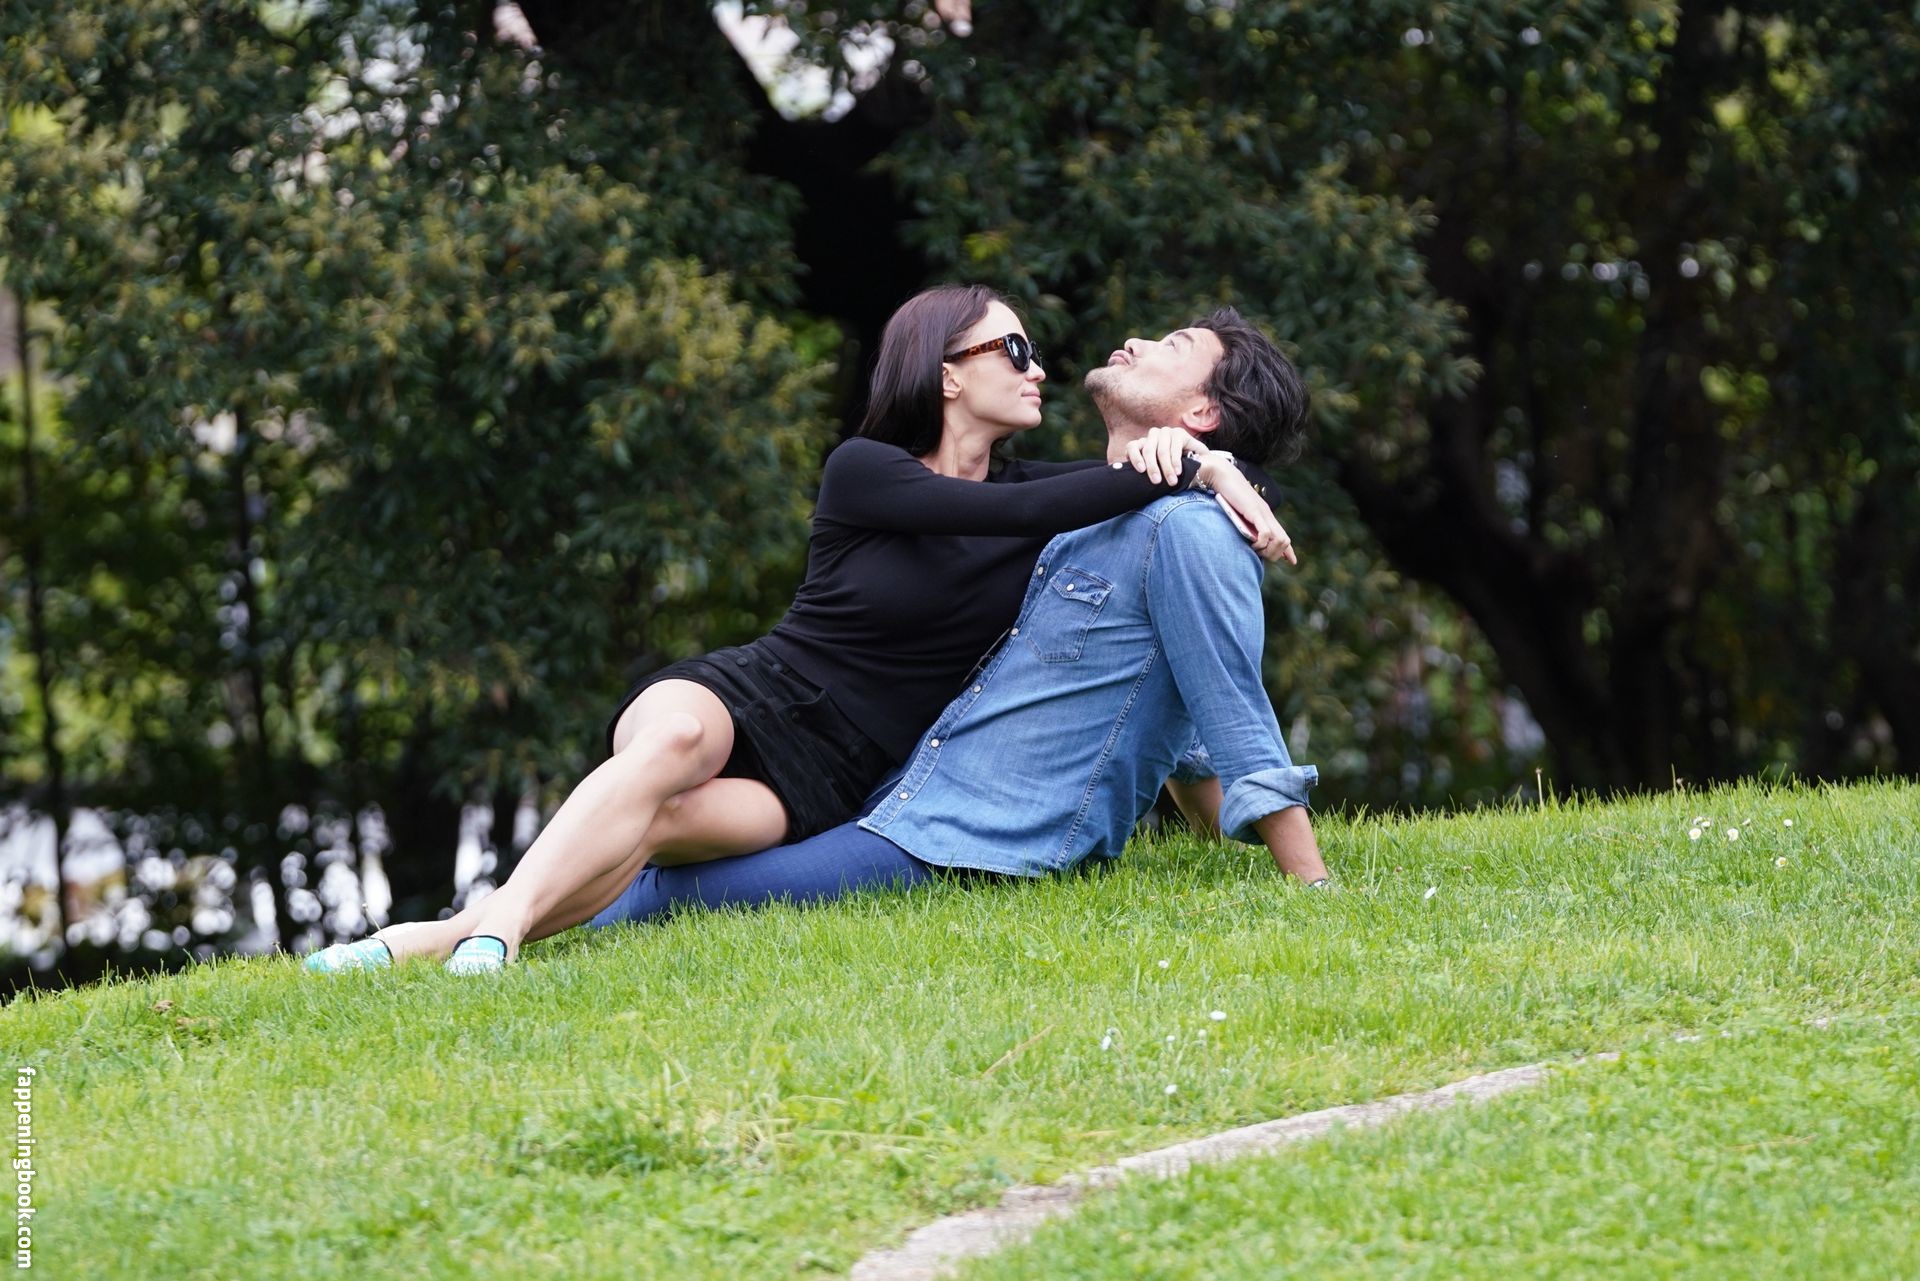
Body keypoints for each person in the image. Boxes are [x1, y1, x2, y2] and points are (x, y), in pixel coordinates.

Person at [305, 286, 1291, 974]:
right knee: (671, 748)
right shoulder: (867, 469)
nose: (1040, 369)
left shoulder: (1053, 502)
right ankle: (500, 932)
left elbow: (1128, 578)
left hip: (835, 771)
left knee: (669, 833)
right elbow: (1016, 511)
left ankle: (425, 940)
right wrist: (1204, 465)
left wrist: (1208, 466)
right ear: (948, 373)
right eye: (1014, 350)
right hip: (754, 696)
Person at [582, 306, 1329, 930]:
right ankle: (529, 914)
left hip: (974, 842)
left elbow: (1229, 697)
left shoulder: (1189, 529)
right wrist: (1211, 843)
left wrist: (1311, 885)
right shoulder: (1095, 520)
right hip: (913, 802)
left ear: (1202, 412)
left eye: (1173, 346)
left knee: (672, 896)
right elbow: (1180, 708)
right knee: (673, 838)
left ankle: (524, 927)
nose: (1136, 340)